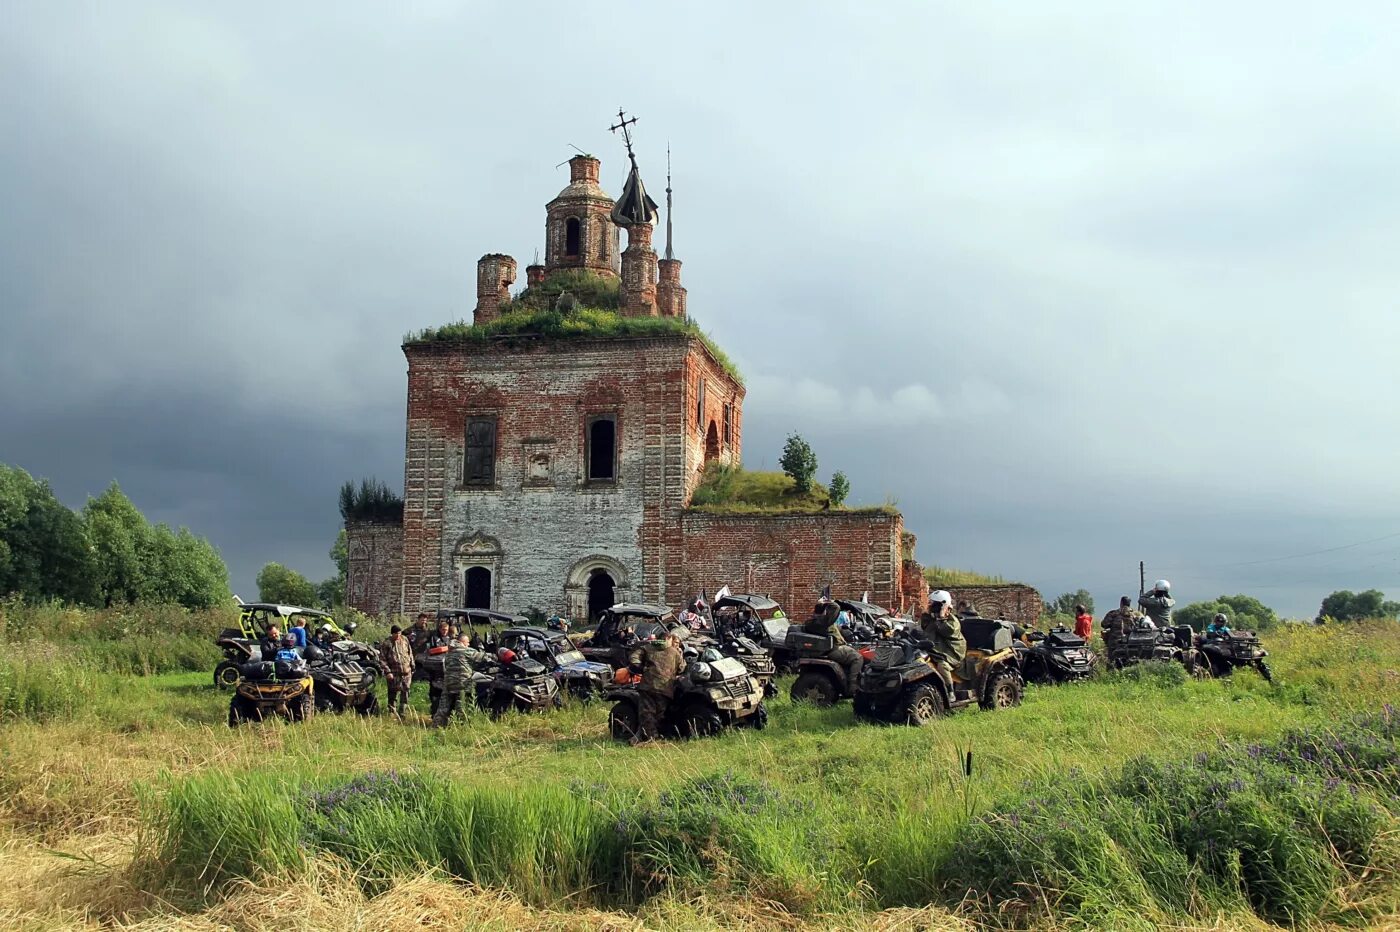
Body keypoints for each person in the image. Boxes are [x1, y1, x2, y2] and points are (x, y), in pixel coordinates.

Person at [633, 631, 686, 742]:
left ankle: (650, 737)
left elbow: (633, 658)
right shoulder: (674, 652)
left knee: (647, 712)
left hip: (648, 685)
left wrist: (642, 668)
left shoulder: (647, 647)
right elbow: (681, 668)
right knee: (660, 713)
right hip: (665, 687)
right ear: (668, 638)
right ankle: (656, 736)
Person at [804, 600, 864, 692]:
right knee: (858, 658)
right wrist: (830, 602)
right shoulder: (820, 621)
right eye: (826, 610)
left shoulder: (819, 622)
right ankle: (853, 687)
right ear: (824, 611)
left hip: (833, 646)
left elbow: (835, 628)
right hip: (833, 650)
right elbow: (836, 608)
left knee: (860, 649)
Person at [917, 590, 966, 688]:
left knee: (942, 666)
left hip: (950, 653)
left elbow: (947, 631)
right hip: (934, 649)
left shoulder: (953, 621)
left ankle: (950, 690)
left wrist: (942, 616)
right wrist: (927, 613)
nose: (933, 607)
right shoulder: (932, 618)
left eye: (935, 605)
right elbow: (924, 627)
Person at [433, 634, 485, 726]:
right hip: (461, 684)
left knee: (443, 707)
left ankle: (437, 725)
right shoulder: (465, 650)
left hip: (448, 683)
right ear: (462, 642)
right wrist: (495, 655)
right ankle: (462, 727)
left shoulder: (450, 651)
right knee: (461, 707)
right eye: (467, 642)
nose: (468, 644)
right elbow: (481, 657)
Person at [378, 624, 415, 717]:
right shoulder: (387, 643)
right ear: (392, 634)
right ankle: (392, 711)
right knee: (392, 692)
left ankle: (402, 712)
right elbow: (382, 659)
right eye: (396, 634)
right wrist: (388, 672)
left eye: (399, 633)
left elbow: (410, 653)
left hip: (406, 672)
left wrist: (412, 666)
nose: (398, 635)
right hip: (393, 673)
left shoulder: (405, 639)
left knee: (405, 692)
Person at [1100, 596, 1139, 662]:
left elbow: (1104, 624)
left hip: (1115, 642)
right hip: (1131, 642)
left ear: (1121, 603)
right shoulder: (1136, 615)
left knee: (1112, 661)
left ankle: (1112, 671)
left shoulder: (1113, 613)